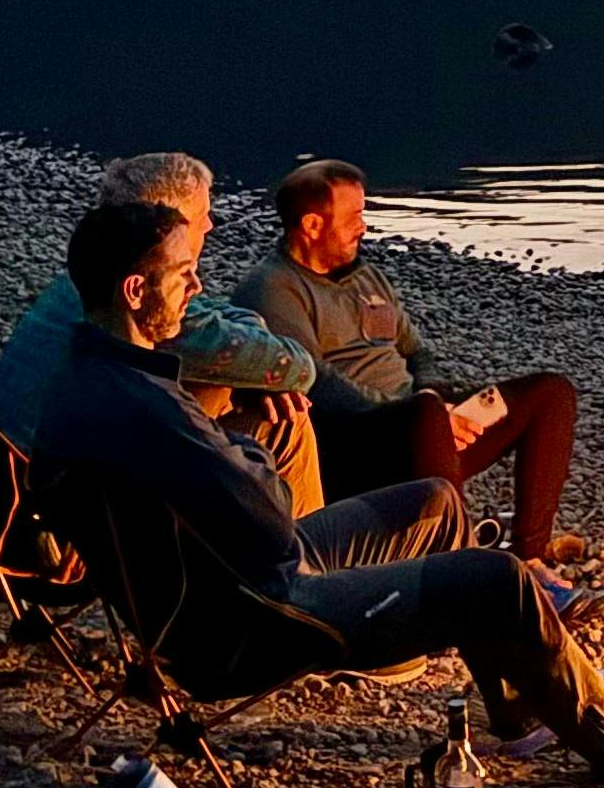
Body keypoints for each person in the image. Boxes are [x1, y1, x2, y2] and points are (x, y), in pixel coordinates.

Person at [32, 200, 604, 777]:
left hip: (225, 580)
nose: (195, 289)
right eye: (184, 275)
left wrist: (230, 451)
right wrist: (246, 449)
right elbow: (272, 523)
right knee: (495, 577)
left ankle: (523, 701)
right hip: (256, 616)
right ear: (136, 291)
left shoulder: (90, 377)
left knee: (435, 501)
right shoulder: (146, 408)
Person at [234, 159, 584, 568]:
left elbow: (417, 351)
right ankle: (466, 570)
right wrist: (421, 413)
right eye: (354, 217)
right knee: (424, 414)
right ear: (312, 225)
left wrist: (436, 400)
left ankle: (530, 557)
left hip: (423, 424)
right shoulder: (272, 290)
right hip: (356, 444)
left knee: (550, 393)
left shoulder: (365, 278)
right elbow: (318, 382)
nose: (363, 227)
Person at [0, 152, 325, 517]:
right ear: (165, 224)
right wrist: (250, 374)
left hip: (14, 488)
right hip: (68, 516)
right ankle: (307, 564)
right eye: (200, 216)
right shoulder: (143, 312)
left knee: (248, 395)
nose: (210, 226)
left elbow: (215, 314)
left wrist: (247, 368)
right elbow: (299, 368)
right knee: (285, 423)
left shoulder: (87, 282)